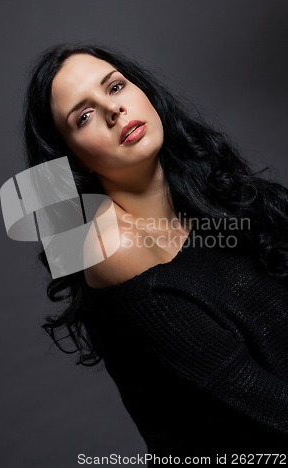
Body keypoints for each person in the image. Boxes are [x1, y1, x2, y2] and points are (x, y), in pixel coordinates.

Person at [23, 43, 288, 463]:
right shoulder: (111, 245)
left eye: (115, 87)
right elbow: (261, 411)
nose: (114, 111)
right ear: (70, 157)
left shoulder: (208, 200)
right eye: (84, 116)